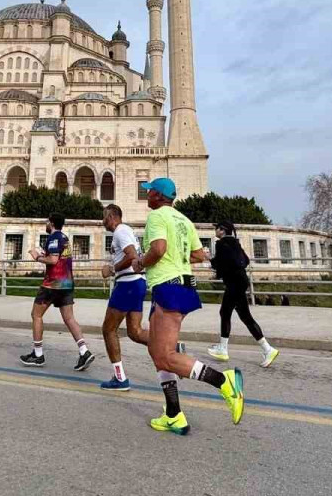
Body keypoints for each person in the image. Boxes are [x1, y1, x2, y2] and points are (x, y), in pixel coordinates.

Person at [133, 178, 243, 435]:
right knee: (156, 351)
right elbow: (198, 255)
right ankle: (174, 414)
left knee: (165, 356)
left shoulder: (157, 216)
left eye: (149, 191)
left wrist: (140, 262)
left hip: (168, 286)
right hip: (179, 286)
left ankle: (223, 381)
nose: (146, 194)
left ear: (159, 196)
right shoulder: (184, 220)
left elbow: (158, 249)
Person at [20, 213, 95, 371]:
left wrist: (37, 257)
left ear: (52, 223)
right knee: (69, 318)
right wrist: (44, 255)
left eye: (47, 221)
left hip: (52, 284)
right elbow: (58, 257)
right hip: (67, 284)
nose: (46, 224)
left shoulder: (53, 238)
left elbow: (53, 260)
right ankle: (84, 351)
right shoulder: (64, 238)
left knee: (36, 315)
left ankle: (38, 355)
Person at [207, 222, 279, 368]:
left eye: (217, 228)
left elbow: (219, 265)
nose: (215, 230)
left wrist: (208, 257)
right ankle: (267, 349)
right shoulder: (235, 243)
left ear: (222, 230)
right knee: (245, 316)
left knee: (225, 312)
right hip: (241, 281)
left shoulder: (221, 244)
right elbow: (245, 261)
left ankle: (223, 348)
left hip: (234, 283)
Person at [98, 204, 147, 391]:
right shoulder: (126, 231)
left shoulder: (120, 231)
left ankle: (120, 378)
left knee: (108, 329)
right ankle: (171, 347)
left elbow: (132, 256)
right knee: (135, 332)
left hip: (128, 284)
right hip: (137, 283)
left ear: (111, 216)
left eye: (104, 217)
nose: (102, 221)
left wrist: (112, 269)